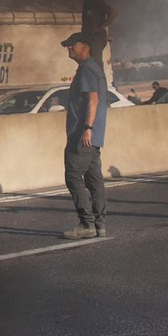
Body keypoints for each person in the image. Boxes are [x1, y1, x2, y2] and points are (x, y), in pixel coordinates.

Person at [59, 32, 108, 239]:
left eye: (72, 44)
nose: (69, 48)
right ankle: (99, 225)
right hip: (93, 136)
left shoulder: (87, 68)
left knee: (72, 175)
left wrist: (87, 127)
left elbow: (93, 100)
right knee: (94, 179)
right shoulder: (92, 68)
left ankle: (86, 223)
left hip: (83, 135)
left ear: (85, 46)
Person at [76, 0, 117, 67]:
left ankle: (99, 80)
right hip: (89, 38)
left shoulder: (95, 2)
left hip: (96, 38)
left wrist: (101, 27)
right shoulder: (86, 4)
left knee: (96, 62)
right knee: (89, 62)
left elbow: (113, 12)